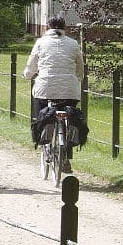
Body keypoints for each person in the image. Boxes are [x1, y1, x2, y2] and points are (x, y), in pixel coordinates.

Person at [24, 18, 85, 171]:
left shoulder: (41, 42)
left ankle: (43, 137)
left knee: (41, 114)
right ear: (64, 28)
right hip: (70, 90)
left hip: (45, 87)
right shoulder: (73, 43)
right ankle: (66, 157)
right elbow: (80, 67)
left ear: (47, 27)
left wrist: (27, 74)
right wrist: (77, 78)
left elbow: (32, 64)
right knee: (69, 120)